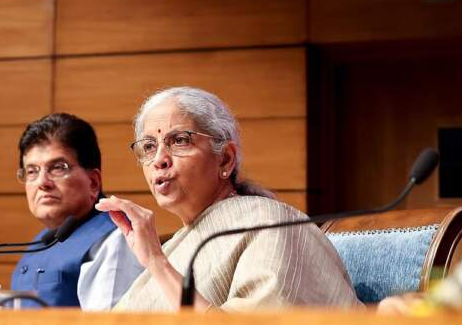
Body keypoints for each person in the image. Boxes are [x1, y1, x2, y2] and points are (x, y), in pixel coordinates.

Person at [96, 87, 361, 312]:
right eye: (149, 146)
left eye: (179, 141)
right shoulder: (177, 244)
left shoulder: (271, 224)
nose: (159, 160)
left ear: (225, 159)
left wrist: (156, 262)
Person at [11, 113, 143, 309]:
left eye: (57, 168)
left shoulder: (116, 239)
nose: (42, 182)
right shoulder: (41, 240)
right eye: (32, 171)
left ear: (93, 182)